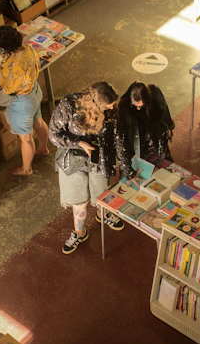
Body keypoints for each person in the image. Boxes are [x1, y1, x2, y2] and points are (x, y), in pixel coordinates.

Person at [49, 82, 135, 254]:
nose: (111, 108)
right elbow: (53, 135)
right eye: (107, 106)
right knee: (78, 202)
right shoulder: (68, 105)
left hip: (100, 159)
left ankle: (103, 214)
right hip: (73, 160)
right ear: (95, 105)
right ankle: (79, 232)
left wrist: (127, 171)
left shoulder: (111, 111)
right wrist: (78, 143)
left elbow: (119, 141)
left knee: (102, 196)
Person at [0, 26, 49, 176]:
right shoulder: (28, 49)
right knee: (39, 122)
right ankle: (43, 149)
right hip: (34, 92)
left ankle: (26, 168)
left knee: (26, 138)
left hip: (22, 102)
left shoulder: (16, 66)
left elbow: (8, 89)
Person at [118, 82, 175, 161]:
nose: (138, 108)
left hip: (155, 130)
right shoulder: (124, 106)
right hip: (139, 135)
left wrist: (169, 126)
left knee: (162, 158)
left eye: (140, 106)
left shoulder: (154, 97)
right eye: (135, 106)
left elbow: (164, 112)